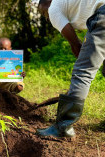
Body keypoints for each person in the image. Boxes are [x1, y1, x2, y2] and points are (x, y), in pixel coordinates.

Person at [34, 0, 105, 138]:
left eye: (43, 12)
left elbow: (76, 44)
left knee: (82, 72)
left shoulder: (53, 9)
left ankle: (63, 127)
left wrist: (82, 59)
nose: (46, 17)